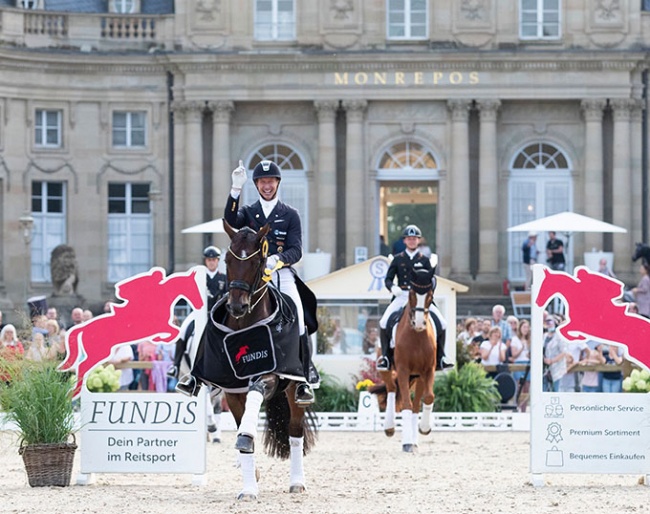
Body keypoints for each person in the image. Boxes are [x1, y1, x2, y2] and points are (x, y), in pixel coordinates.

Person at [224, 159, 316, 405]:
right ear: (256, 184)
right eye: (262, 182)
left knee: (297, 312)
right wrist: (235, 189)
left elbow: (296, 250)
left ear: (277, 183)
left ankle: (304, 377)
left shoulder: (290, 214)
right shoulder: (248, 213)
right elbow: (231, 222)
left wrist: (278, 259)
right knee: (221, 309)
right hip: (252, 277)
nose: (267, 185)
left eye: (270, 181)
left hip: (280, 273)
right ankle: (205, 371)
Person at [376, 224, 453, 372]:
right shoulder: (398, 259)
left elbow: (432, 280)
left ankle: (441, 356)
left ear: (418, 241)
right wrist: (393, 288)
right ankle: (385, 357)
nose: (412, 241)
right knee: (384, 321)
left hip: (420, 297)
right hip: (402, 295)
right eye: (409, 239)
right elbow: (388, 279)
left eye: (414, 239)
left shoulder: (424, 259)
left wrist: (431, 285)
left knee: (442, 323)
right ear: (405, 241)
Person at [543, 317, 570, 392]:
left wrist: (552, 360)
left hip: (557, 368)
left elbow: (564, 352)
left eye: (550, 322)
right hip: (545, 368)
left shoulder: (560, 336)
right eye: (547, 322)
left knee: (555, 390)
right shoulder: (544, 336)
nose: (549, 324)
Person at [202, 245, 227, 310]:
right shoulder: (201, 277)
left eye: (213, 260)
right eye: (209, 260)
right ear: (205, 261)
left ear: (218, 260)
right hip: (203, 311)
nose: (211, 262)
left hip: (218, 311)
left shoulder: (223, 278)